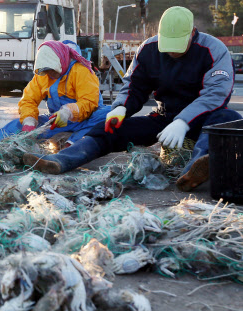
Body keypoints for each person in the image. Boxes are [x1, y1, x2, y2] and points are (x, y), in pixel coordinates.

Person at [23, 6, 242, 192]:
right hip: (165, 118)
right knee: (109, 127)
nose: (173, 52)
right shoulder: (148, 49)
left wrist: (184, 121)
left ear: (193, 33)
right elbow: (134, 86)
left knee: (228, 120)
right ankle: (63, 159)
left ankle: (194, 170)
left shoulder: (214, 50)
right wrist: (120, 108)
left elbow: (217, 93)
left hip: (203, 118)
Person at [0, 40, 108, 145]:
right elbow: (28, 100)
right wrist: (29, 120)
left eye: (52, 69)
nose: (49, 73)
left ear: (61, 60)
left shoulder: (81, 71)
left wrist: (68, 112)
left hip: (86, 120)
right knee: (16, 125)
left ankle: (73, 144)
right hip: (57, 122)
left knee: (106, 114)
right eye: (46, 70)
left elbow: (89, 102)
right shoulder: (42, 76)